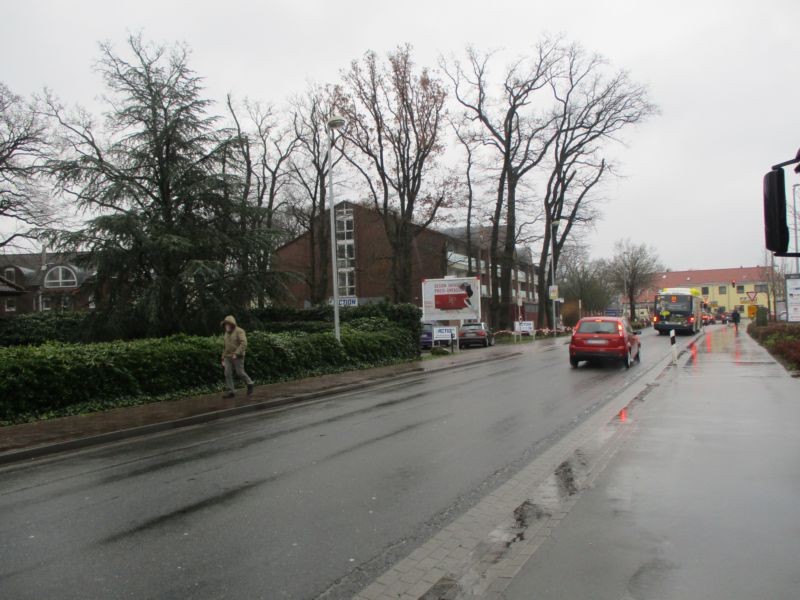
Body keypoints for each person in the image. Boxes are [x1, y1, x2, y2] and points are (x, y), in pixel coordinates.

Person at [221, 315, 254, 398]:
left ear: (232, 324)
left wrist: (236, 353)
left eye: (228, 324)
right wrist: (222, 357)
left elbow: (244, 343)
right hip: (228, 357)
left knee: (240, 372)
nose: (226, 325)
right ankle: (231, 392)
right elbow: (225, 347)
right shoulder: (226, 333)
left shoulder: (239, 331)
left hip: (238, 356)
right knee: (227, 373)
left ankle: (250, 383)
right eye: (225, 324)